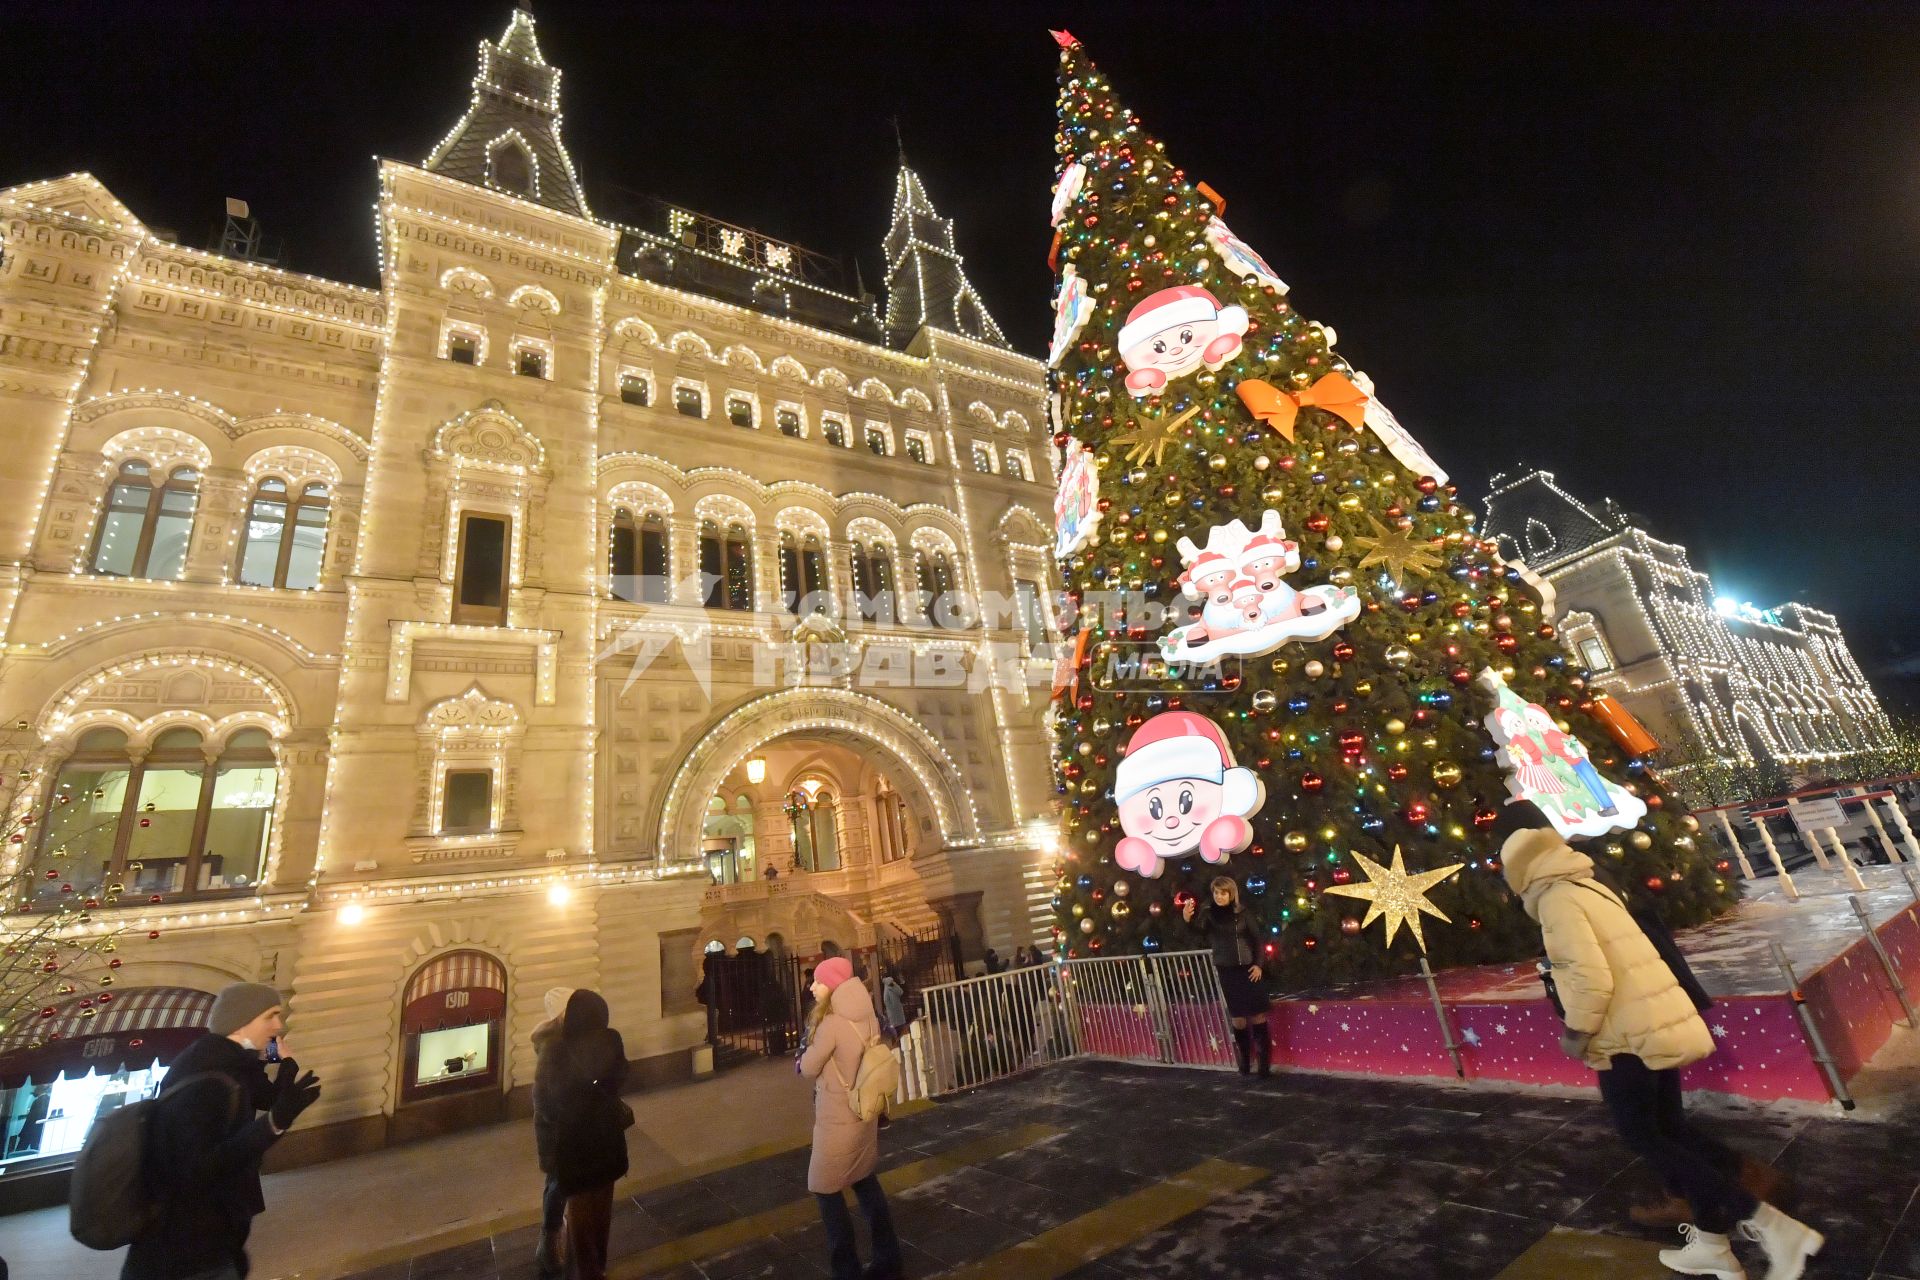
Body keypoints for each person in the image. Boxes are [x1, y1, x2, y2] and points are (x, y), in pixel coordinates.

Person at [1499, 806, 1823, 1280]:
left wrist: (1577, 1034)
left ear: (1519, 867)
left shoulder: (1556, 900)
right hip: (1654, 1021)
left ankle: (1770, 1224)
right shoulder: (1588, 884)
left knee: (1643, 1135)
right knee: (1670, 1130)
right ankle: (1714, 1245)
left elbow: (1590, 979)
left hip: (1625, 1034)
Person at [121, 982, 322, 1280]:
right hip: (185, 1250)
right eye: (271, 1015)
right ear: (241, 1019)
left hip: (212, 1237)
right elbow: (197, 1168)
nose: (278, 1024)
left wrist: (285, 1065)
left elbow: (266, 1097)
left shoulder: (231, 1062)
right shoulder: (207, 1074)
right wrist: (274, 1123)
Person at [799, 956, 902, 1280]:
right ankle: (888, 1256)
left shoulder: (832, 1023)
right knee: (863, 1178)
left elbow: (809, 1067)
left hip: (838, 1119)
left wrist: (801, 1061)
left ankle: (846, 1270)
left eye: (818, 981)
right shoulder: (867, 1014)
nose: (813, 987)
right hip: (864, 1111)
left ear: (832, 985)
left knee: (825, 1189)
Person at [533, 990, 629, 1280]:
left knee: (579, 1213)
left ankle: (583, 1270)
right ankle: (597, 1265)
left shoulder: (556, 1050)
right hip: (608, 1142)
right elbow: (621, 1076)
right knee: (602, 1210)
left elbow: (547, 1105)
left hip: (575, 1146)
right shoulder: (611, 1039)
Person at [1183, 877, 1270, 1077]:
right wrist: (1188, 919)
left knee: (1258, 1015)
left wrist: (1258, 965)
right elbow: (1198, 932)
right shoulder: (1208, 914)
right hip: (1227, 971)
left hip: (1249, 970)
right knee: (1238, 1019)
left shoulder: (1243, 913)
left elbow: (1257, 940)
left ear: (1231, 894)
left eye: (1223, 893)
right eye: (1216, 893)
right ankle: (1245, 1063)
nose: (1219, 897)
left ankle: (1264, 1065)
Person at [530, 987, 574, 1278]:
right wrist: (561, 1120)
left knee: (567, 1180)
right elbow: (542, 1094)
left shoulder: (570, 1038)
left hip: (573, 1125)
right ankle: (550, 1238)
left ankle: (562, 1231)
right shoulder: (553, 1045)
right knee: (558, 1183)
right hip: (559, 1130)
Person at [881, 974, 907, 1041]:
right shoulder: (893, 985)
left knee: (895, 1034)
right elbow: (901, 992)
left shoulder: (886, 988)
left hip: (892, 1014)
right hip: (898, 1012)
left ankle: (897, 1046)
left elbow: (885, 1000)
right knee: (902, 1033)